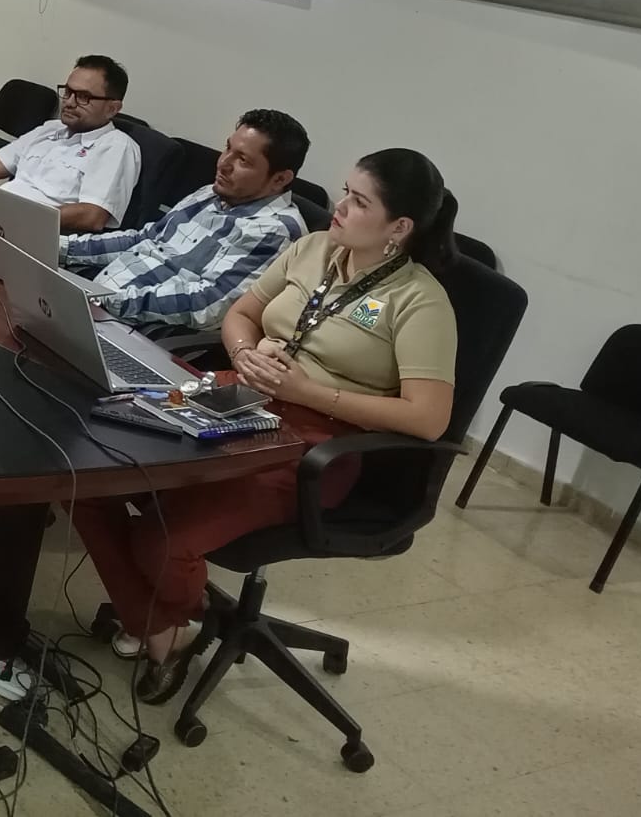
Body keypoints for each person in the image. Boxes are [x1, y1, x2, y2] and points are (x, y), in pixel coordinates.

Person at [70, 148, 459, 701]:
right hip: (239, 394)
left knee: (163, 540)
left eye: (358, 201)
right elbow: (241, 314)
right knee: (85, 475)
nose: (340, 207)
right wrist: (245, 352)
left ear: (399, 227)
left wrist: (309, 392)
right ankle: (159, 623)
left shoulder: (419, 301)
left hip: (314, 441)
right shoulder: (313, 248)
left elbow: (429, 418)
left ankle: (168, 629)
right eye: (344, 192)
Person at [60, 110, 310, 328]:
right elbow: (144, 239)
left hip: (139, 327)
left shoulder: (275, 231)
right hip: (99, 300)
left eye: (242, 160)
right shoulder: (211, 193)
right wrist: (60, 245)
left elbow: (206, 304)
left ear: (280, 179)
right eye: (228, 149)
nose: (223, 164)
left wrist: (104, 300)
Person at [0, 56, 141, 233]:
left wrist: (14, 216)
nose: (69, 102)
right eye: (68, 92)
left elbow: (91, 216)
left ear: (112, 108)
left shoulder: (116, 146)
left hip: (32, 232)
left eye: (83, 97)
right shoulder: (49, 129)